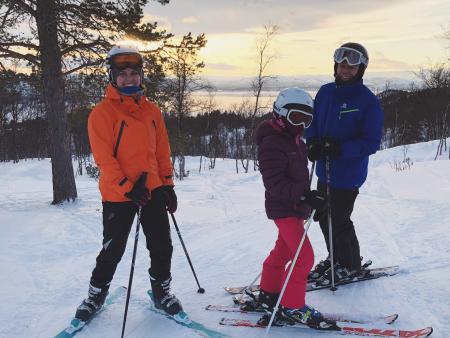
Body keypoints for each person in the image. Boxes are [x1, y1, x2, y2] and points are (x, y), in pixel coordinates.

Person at [74, 44, 181, 322]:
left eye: (134, 73)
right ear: (112, 76)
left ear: (141, 76)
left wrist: (167, 184)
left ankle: (162, 292)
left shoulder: (152, 111)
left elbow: (161, 150)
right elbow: (104, 159)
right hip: (118, 194)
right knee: (113, 248)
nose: (129, 78)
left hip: (153, 190)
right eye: (122, 74)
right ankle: (95, 294)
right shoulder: (102, 113)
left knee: (161, 245)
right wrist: (127, 186)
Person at [253, 87, 335, 329]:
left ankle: (269, 292)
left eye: (306, 119)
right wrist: (305, 196)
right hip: (284, 208)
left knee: (284, 252)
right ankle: (292, 306)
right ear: (280, 113)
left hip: (294, 207)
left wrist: (311, 199)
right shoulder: (272, 143)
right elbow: (274, 183)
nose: (301, 124)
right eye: (296, 117)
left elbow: (296, 173)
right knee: (304, 257)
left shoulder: (294, 140)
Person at [305, 42, 384, 285]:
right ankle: (336, 257)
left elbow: (371, 142)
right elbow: (313, 122)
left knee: (339, 218)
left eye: (353, 65)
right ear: (336, 65)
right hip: (325, 170)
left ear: (361, 69)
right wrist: (313, 143)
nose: (346, 68)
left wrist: (340, 149)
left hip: (348, 173)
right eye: (342, 63)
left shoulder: (367, 101)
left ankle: (350, 264)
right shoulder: (325, 92)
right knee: (321, 215)